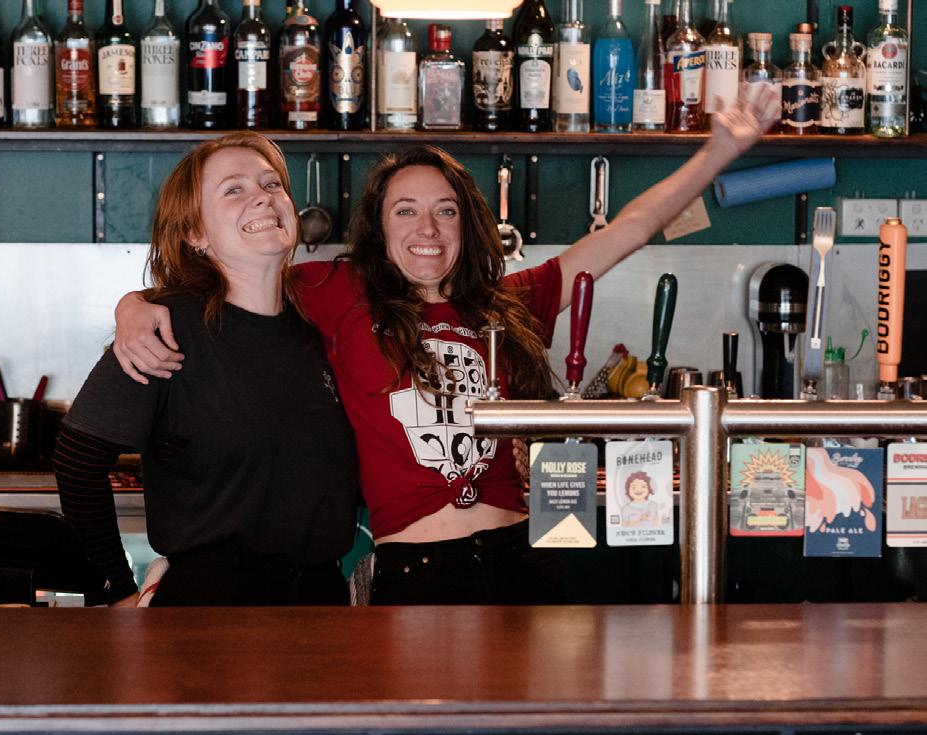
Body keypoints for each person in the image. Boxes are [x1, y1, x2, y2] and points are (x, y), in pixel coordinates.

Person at [112, 90, 780, 605]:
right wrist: (134, 305)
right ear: (380, 229)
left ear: (467, 223)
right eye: (404, 210)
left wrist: (719, 150)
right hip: (418, 571)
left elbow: (632, 226)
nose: (426, 227)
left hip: (523, 556)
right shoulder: (338, 292)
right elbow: (232, 273)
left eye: (445, 209)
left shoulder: (511, 302)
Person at [53, 132, 360, 607]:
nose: (263, 196)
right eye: (234, 189)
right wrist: (114, 592)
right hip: (211, 609)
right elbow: (76, 460)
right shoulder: (165, 329)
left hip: (322, 603)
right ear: (195, 234)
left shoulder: (319, 325)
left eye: (272, 184)